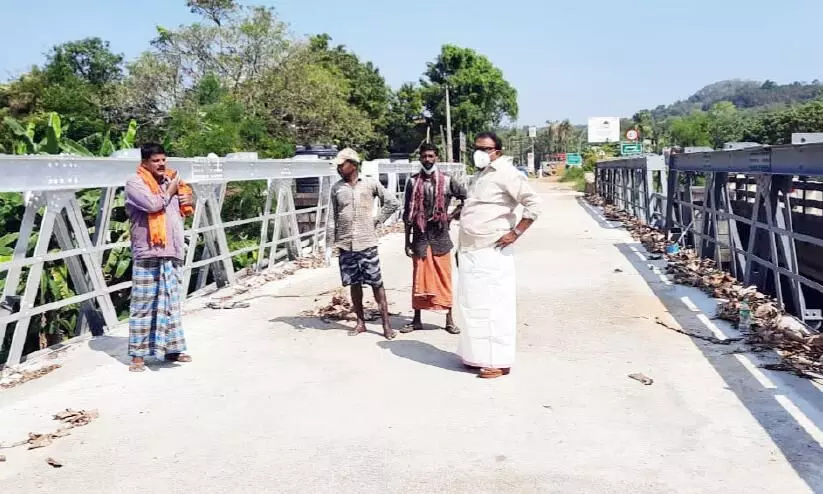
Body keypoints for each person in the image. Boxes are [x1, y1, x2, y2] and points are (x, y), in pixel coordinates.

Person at [456, 132, 542, 379]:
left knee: (494, 306)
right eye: (477, 148)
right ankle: (476, 356)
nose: (479, 153)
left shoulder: (507, 173)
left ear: (498, 150)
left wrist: (515, 232)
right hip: (472, 248)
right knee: (472, 305)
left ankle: (498, 361)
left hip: (492, 248)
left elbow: (533, 204)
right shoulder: (481, 175)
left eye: (485, 148)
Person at [124, 143, 195, 372]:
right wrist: (171, 190)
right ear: (145, 162)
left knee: (171, 301)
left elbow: (178, 209)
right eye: (156, 161)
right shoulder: (135, 183)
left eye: (163, 160)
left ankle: (172, 348)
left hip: (171, 249)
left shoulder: (171, 182)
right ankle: (138, 355)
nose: (162, 164)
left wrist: (186, 199)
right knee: (144, 303)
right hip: (148, 250)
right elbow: (153, 204)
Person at [325, 148, 400, 340]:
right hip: (345, 244)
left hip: (367, 242)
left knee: (376, 283)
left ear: (353, 164)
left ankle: (386, 325)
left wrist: (377, 220)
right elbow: (333, 217)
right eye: (338, 166)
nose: (339, 169)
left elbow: (392, 202)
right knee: (354, 284)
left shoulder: (370, 184)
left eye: (342, 165)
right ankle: (361, 322)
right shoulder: (337, 189)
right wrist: (329, 244)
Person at [401, 143, 466, 334]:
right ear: (420, 158)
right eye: (424, 156)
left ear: (436, 157)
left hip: (440, 236)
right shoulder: (413, 182)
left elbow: (465, 198)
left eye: (431, 156)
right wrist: (407, 241)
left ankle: (449, 320)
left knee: (444, 277)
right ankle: (416, 320)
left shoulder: (446, 180)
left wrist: (450, 216)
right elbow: (407, 214)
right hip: (420, 237)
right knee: (419, 278)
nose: (427, 160)